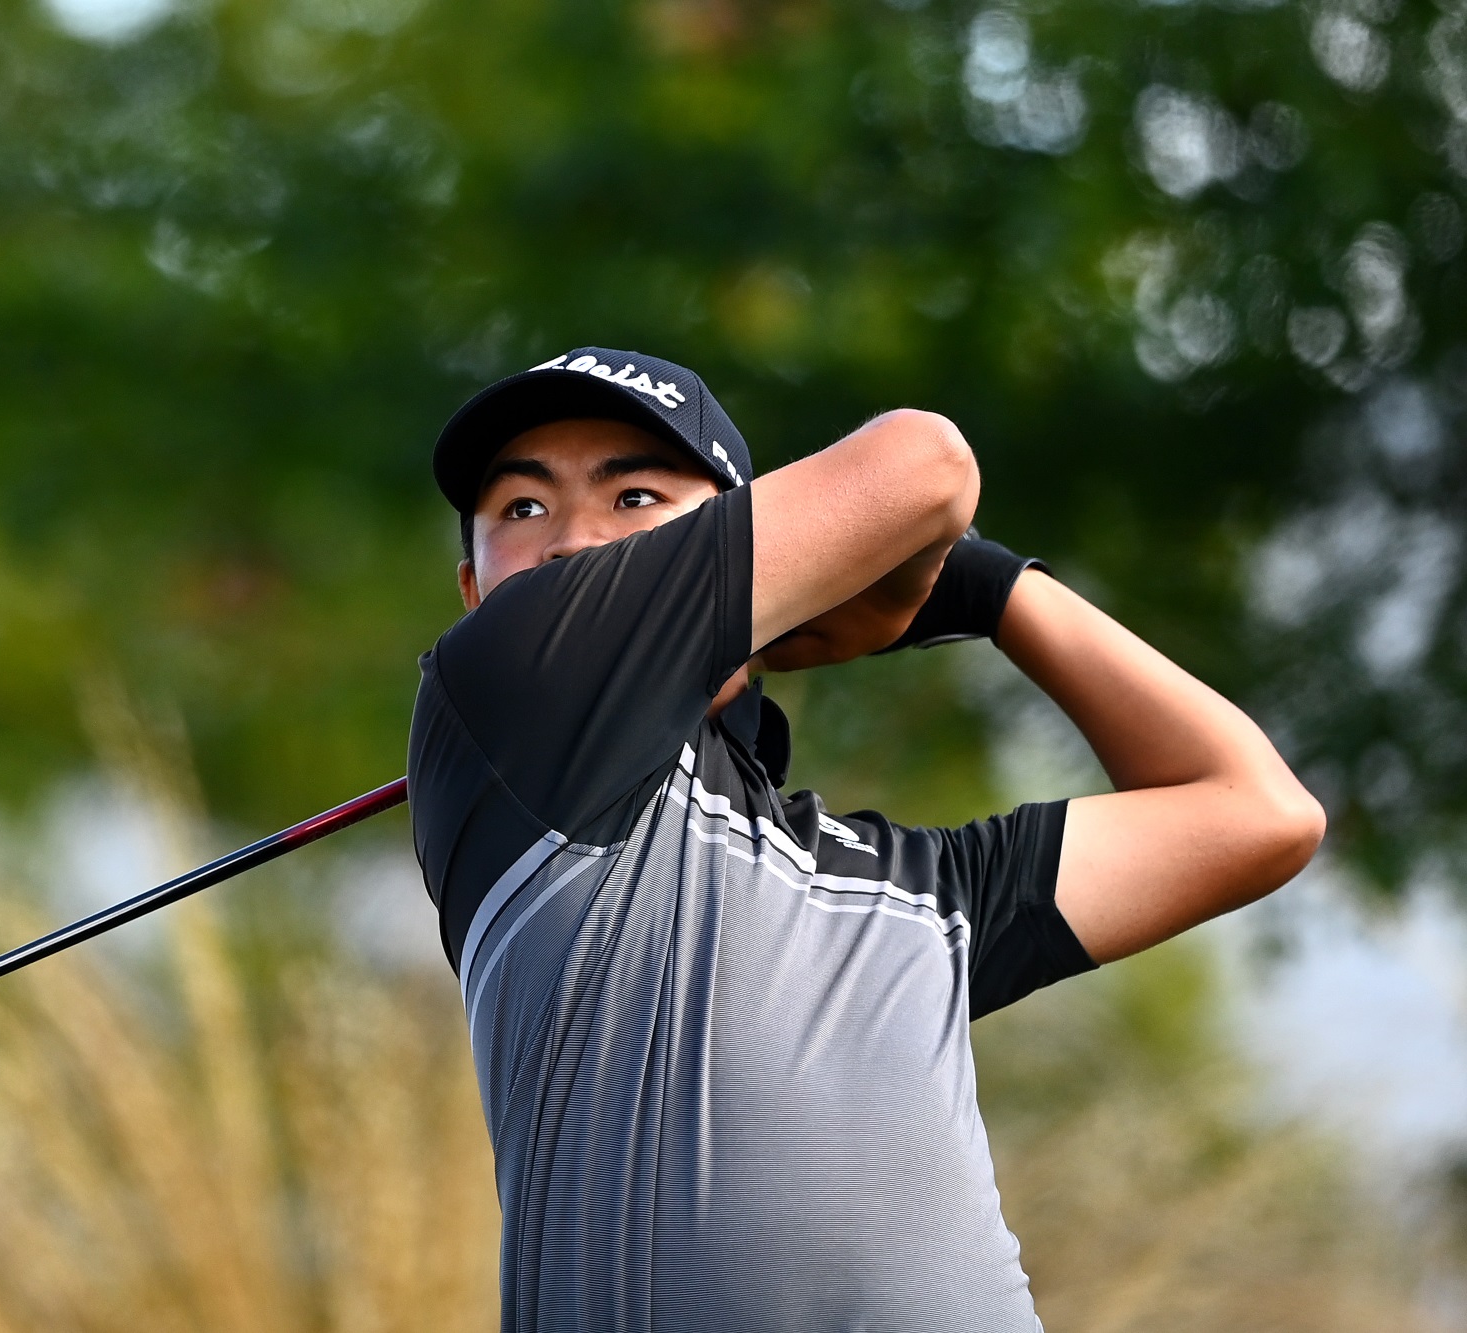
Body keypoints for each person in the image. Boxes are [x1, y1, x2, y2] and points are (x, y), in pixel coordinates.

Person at [405, 347, 1325, 1331]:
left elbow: (1256, 812)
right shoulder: (501, 679)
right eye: (522, 510)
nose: (573, 543)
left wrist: (987, 589)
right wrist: (893, 570)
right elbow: (926, 463)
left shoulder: (903, 891)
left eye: (634, 496)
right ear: (472, 593)